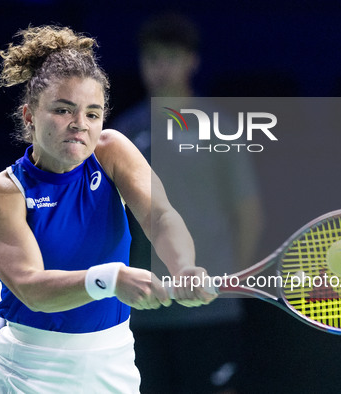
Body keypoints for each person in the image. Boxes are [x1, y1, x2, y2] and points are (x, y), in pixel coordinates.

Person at [0, 25, 215, 393]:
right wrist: (111, 279)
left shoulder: (111, 150)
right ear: (28, 116)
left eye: (92, 113)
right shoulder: (2, 193)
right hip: (27, 371)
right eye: (62, 110)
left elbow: (160, 215)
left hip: (111, 363)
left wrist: (183, 265)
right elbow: (30, 288)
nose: (79, 125)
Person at [110, 13, 264, 394]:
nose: (160, 68)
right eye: (151, 58)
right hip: (142, 314)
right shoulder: (123, 132)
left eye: (170, 57)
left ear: (191, 60)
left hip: (209, 312)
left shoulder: (220, 127)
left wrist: (233, 283)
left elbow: (249, 214)